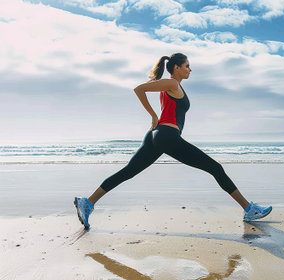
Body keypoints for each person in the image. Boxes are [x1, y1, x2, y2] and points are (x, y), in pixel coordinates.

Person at [74, 53, 272, 229]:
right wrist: (153, 115)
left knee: (128, 171)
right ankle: (249, 209)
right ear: (176, 68)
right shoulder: (173, 84)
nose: (190, 69)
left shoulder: (173, 86)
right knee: (215, 168)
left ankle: (88, 202)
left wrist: (155, 120)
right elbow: (139, 89)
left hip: (157, 136)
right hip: (166, 135)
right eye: (187, 66)